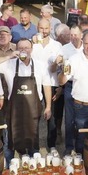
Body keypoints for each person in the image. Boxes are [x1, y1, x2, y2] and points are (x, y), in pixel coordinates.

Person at [0, 39, 52, 161]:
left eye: (26, 48)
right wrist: (9, 56)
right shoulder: (9, 64)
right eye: (20, 48)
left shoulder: (40, 65)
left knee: (33, 136)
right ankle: (10, 165)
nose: (24, 50)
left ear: (31, 49)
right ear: (17, 49)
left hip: (34, 107)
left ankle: (33, 163)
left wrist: (48, 107)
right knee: (12, 137)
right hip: (15, 109)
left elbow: (47, 86)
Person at [31, 19, 63, 150]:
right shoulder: (32, 44)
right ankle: (33, 145)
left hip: (53, 82)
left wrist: (61, 86)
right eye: (41, 28)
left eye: (46, 28)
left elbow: (61, 67)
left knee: (53, 115)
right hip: (35, 83)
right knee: (34, 115)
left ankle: (52, 144)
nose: (43, 31)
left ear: (50, 29)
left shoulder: (57, 45)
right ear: (37, 28)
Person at [52, 24, 83, 155]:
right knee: (69, 118)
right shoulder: (65, 49)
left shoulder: (87, 47)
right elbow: (56, 69)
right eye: (71, 35)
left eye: (76, 35)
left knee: (81, 118)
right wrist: (57, 62)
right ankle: (69, 147)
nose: (73, 37)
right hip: (69, 85)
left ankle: (81, 147)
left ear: (81, 35)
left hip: (83, 84)